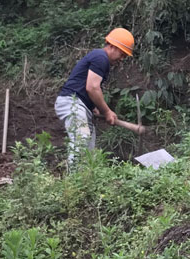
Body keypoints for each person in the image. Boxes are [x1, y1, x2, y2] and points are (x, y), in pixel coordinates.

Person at [55, 28, 135, 168]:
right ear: (112, 46)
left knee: (89, 150)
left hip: (81, 105)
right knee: (82, 139)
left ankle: (86, 182)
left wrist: (94, 107)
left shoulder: (101, 60)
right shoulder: (100, 57)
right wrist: (107, 111)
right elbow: (92, 87)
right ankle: (72, 181)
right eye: (122, 54)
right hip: (72, 102)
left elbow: (88, 86)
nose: (122, 59)